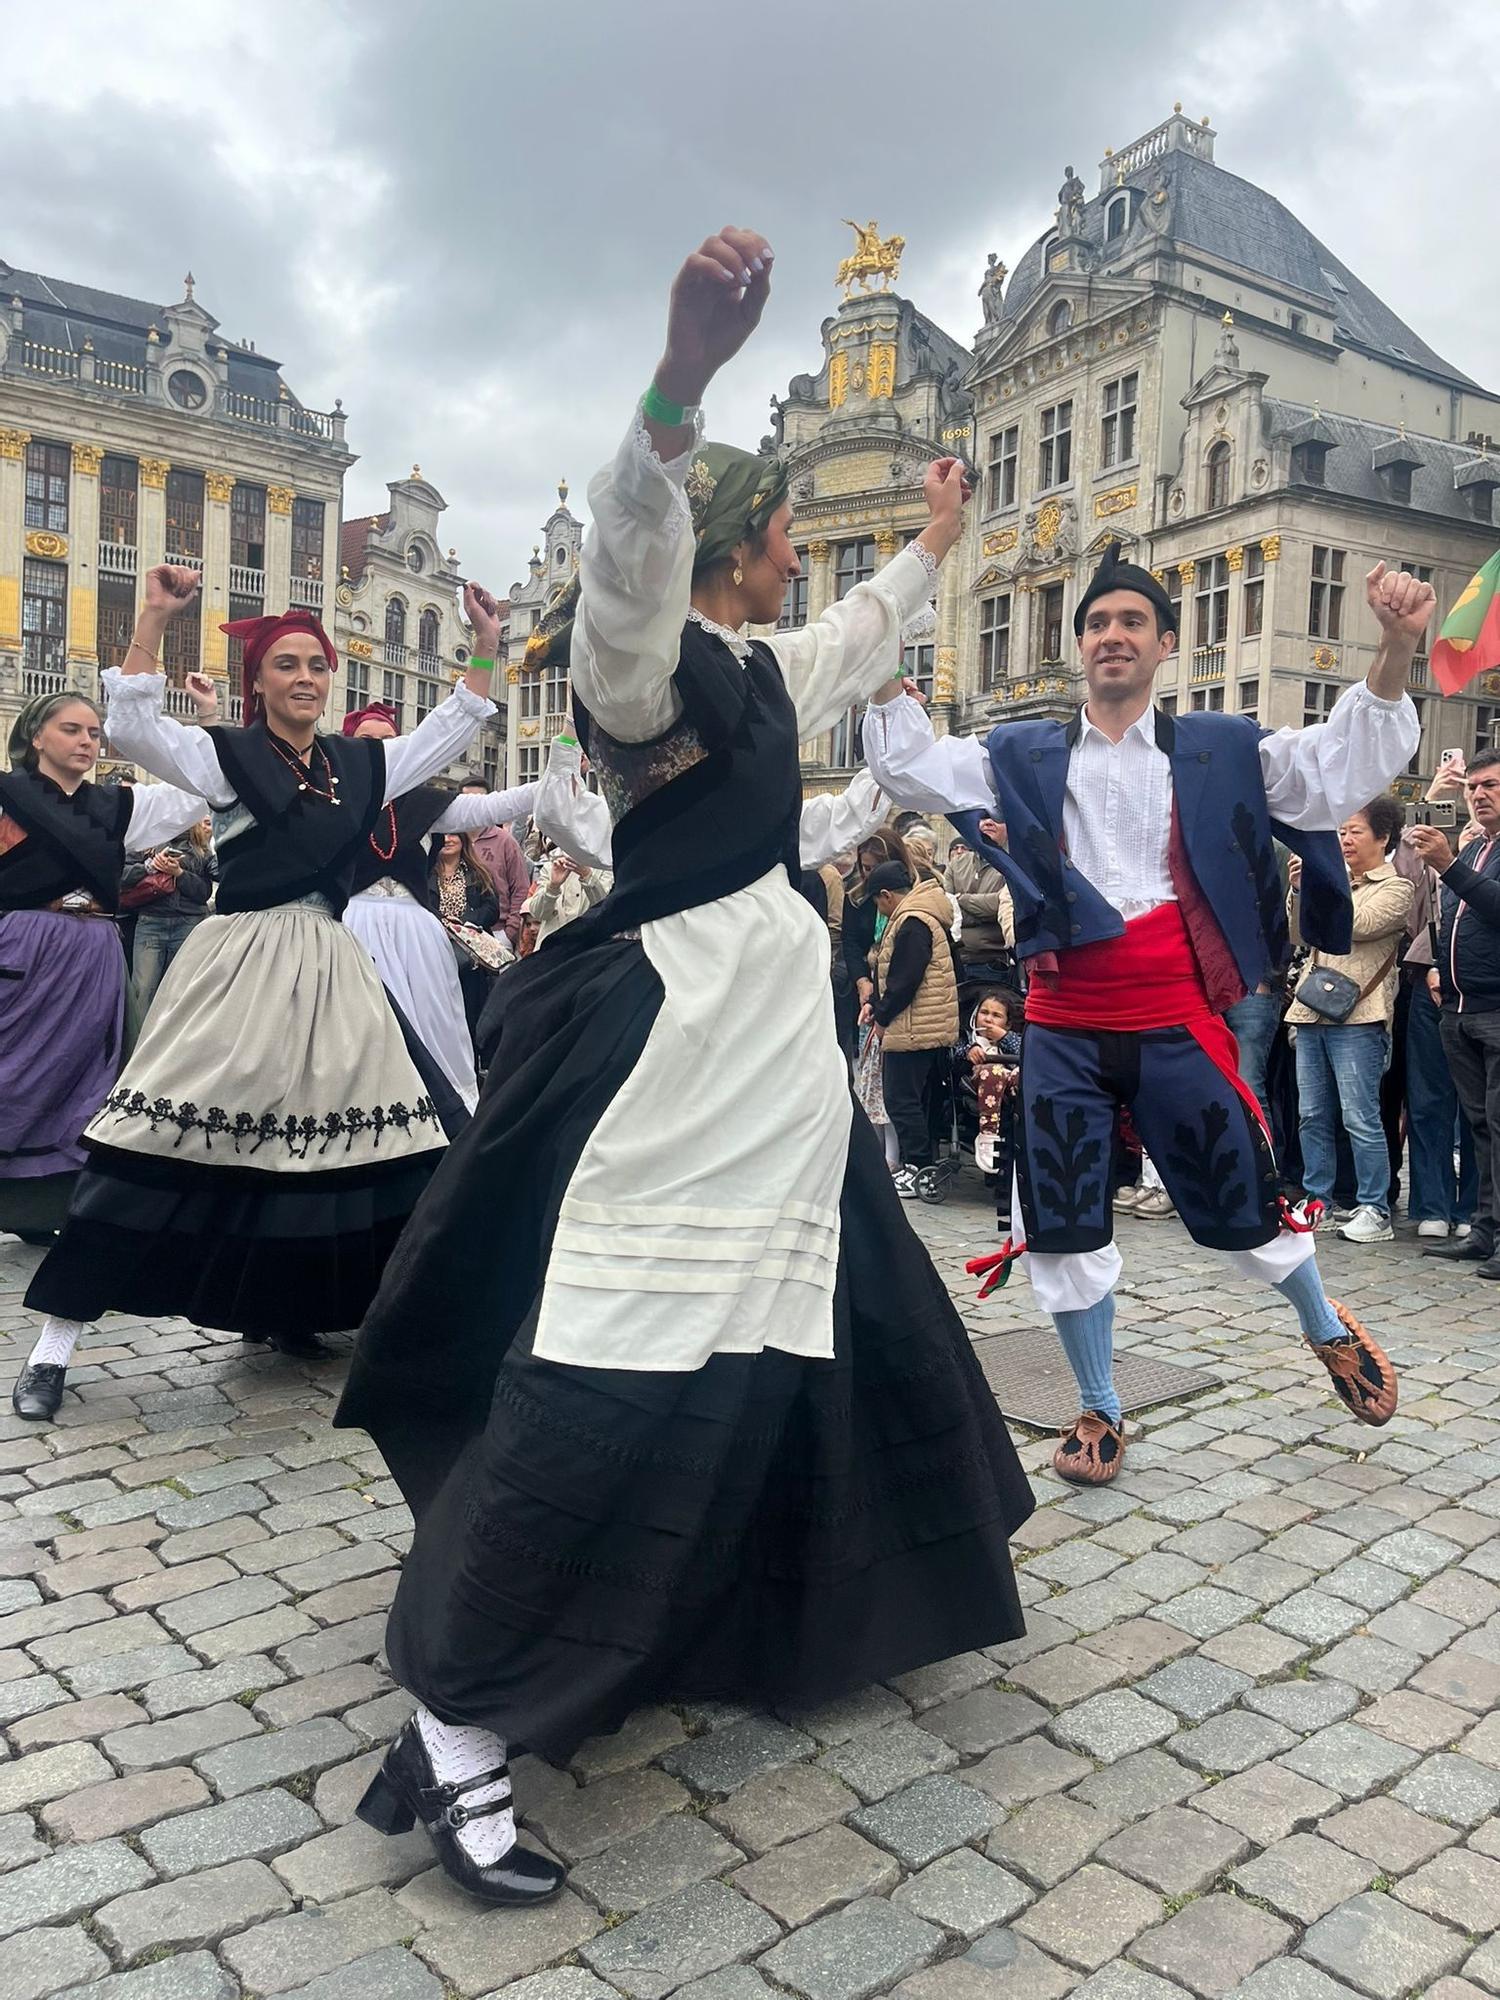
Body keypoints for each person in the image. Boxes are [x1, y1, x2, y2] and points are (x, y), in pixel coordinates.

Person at [336, 227, 1032, 1908]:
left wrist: (933, 548)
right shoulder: (643, 666)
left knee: (806, 1335)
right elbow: (633, 563)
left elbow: (856, 644)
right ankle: (462, 1720)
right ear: (740, 543)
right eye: (791, 528)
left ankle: (773, 1594)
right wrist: (679, 385)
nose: (808, 550)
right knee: (624, 1354)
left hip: (771, 1061)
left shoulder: (757, 674)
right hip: (682, 1046)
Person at [862, 537, 1429, 1482]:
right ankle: (1098, 1408)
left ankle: (1326, 1328)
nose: (1110, 636)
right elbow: (917, 766)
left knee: (1242, 1203)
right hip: (1067, 1021)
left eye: (1131, 622)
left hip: (1173, 1013)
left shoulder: (1221, 746)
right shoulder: (1022, 749)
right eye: (1095, 624)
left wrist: (1396, 647)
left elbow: (1338, 766)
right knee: (1066, 1221)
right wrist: (876, 660)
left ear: (1166, 643)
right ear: (1079, 645)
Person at [14, 569, 498, 1422]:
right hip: (239, 960)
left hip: (332, 966)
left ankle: (291, 1310)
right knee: (160, 1134)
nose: (305, 677)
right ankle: (54, 1344)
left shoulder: (361, 765)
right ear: (259, 683)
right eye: (286, 665)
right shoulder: (226, 757)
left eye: (316, 664)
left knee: (350, 1144)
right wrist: (155, 619)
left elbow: (448, 730)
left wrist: (487, 651)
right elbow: (132, 722)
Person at [0, 694, 205, 1255]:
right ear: (37, 736)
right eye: (71, 729)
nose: (87, 741)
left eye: (94, 731)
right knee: (13, 1074)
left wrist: (208, 726)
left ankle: (53, 1204)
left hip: (93, 948)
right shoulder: (5, 795)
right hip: (23, 943)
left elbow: (196, 794)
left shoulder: (118, 806)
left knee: (85, 1079)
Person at [341, 670, 538, 1113]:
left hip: (415, 932)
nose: (378, 748)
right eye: (366, 740)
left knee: (431, 1025)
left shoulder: (422, 804)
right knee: (363, 1032)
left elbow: (490, 806)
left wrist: (550, 786)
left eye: (389, 739)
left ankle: (443, 1120)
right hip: (353, 930)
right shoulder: (335, 800)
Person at [1285, 797, 1413, 1245]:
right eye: (1340, 832)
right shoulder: (1331, 880)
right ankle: (1318, 1199)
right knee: (1311, 1114)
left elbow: (1355, 926)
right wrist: (1301, 891)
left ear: (1383, 837)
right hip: (1311, 1011)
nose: (1344, 840)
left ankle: (1374, 1207)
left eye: (1355, 831)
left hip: (1362, 1014)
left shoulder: (1395, 887)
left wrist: (1322, 885)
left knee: (1360, 1116)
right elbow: (1301, 934)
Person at [1408, 746, 1500, 1279]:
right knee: (1482, 1126)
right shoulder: (1477, 849)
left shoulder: (1467, 857)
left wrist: (1448, 865)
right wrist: (1441, 966)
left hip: (1496, 1009)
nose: (1479, 794)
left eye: (1491, 785)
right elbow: (1449, 918)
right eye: (1474, 786)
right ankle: (1485, 1230)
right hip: (1459, 1010)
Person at [861, 858, 961, 1193]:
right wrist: (877, 1007)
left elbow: (904, 979)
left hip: (917, 1025)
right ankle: (920, 1162)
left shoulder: (912, 921)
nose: (878, 908)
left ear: (886, 895)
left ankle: (918, 1165)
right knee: (915, 1099)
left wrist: (883, 1014)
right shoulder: (922, 914)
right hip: (925, 1022)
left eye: (876, 900)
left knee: (901, 1099)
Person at [125, 816, 215, 1010]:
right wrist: (149, 867)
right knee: (142, 990)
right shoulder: (146, 841)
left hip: (188, 922)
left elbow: (203, 893)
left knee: (181, 991)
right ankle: (139, 1040)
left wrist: (179, 874)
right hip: (152, 920)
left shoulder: (202, 848)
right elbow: (122, 876)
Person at [430, 830, 502, 1036]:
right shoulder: (424, 874)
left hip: (472, 957)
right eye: (442, 835)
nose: (447, 839)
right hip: (437, 950)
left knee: (471, 1016)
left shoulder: (478, 873)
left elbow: (492, 908)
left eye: (453, 834)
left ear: (463, 839)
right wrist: (442, 922)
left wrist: (465, 925)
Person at [460, 775, 532, 946]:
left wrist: (510, 933)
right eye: (468, 801)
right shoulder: (450, 840)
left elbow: (521, 888)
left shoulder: (505, 842)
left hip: (496, 932)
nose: (474, 807)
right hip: (456, 931)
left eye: (479, 801)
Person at [962, 989, 1022, 1180]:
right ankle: (987, 1134)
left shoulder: (1011, 1039)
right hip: (980, 1083)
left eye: (996, 1016)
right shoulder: (969, 1038)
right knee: (993, 1070)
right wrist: (969, 1050)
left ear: (1008, 1023)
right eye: (984, 1013)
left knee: (1024, 1071)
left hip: (1011, 1085)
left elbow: (1024, 1051)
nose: (988, 1019)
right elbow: (953, 1053)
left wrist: (1003, 1036)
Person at [944, 829, 1015, 988]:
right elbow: (946, 907)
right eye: (981, 819)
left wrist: (961, 899)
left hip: (991, 962)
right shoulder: (957, 863)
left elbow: (1002, 906)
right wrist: (982, 911)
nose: (987, 823)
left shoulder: (1013, 866)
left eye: (994, 818)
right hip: (955, 960)